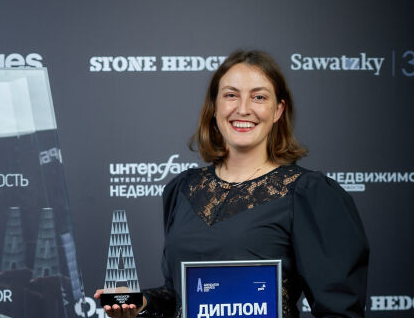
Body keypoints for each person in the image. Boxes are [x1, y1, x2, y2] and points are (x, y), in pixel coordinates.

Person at [94, 50, 369, 318]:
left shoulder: (307, 192)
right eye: (231, 95)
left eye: (259, 97)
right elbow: (179, 296)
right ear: (214, 107)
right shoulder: (183, 189)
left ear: (278, 110)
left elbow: (339, 310)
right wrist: (141, 303)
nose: (243, 109)